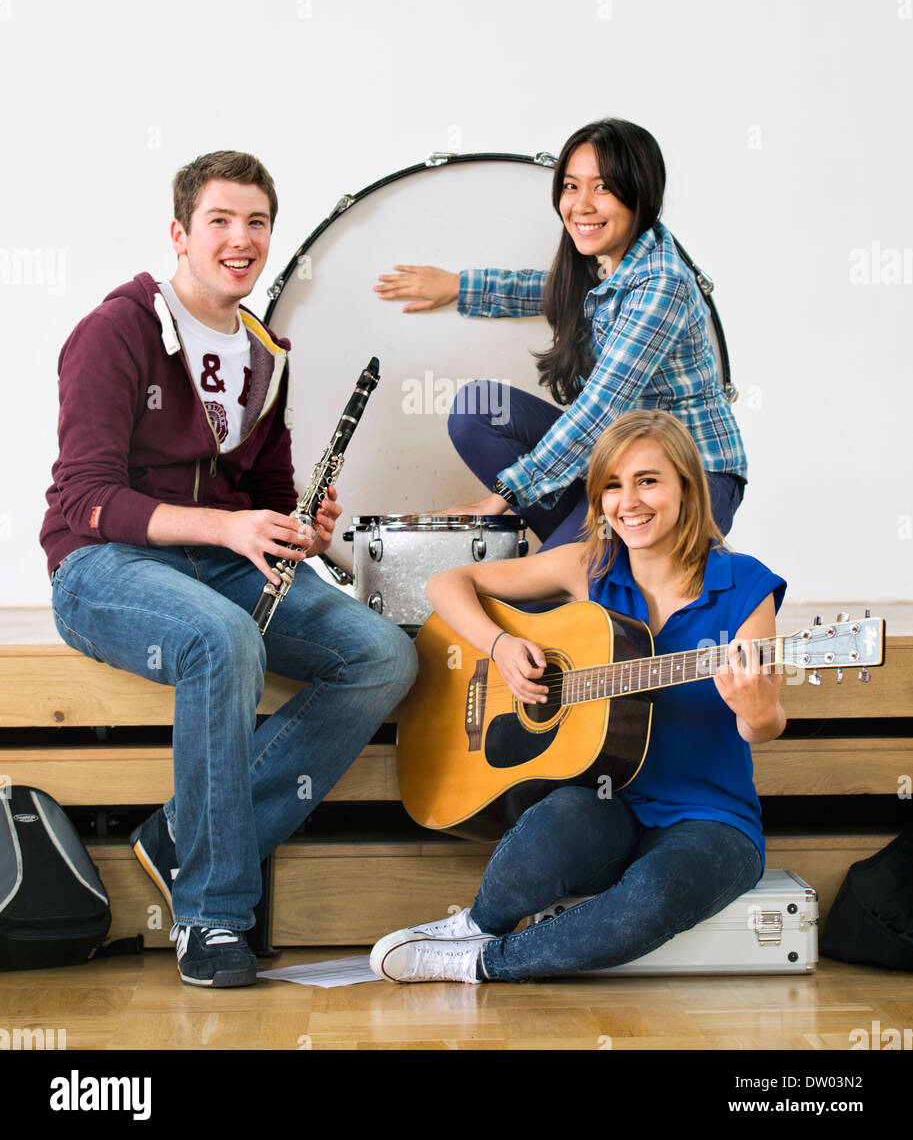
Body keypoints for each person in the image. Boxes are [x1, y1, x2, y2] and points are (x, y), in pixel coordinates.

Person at [40, 150, 417, 988]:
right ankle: (211, 912)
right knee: (221, 639)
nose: (240, 239)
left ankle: (184, 830)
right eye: (219, 220)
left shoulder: (265, 352)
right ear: (180, 233)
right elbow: (85, 497)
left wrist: (300, 526)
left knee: (383, 656)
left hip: (217, 562)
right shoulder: (116, 331)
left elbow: (267, 493)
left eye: (256, 223)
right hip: (105, 566)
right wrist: (225, 525)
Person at [370, 409, 785, 984]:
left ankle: (480, 962)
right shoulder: (590, 565)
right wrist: (501, 645)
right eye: (611, 485)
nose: (628, 501)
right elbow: (445, 584)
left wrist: (761, 715)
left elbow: (760, 723)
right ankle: (480, 922)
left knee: (654, 897)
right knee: (554, 823)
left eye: (647, 480)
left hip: (711, 819)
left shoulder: (744, 585)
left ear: (687, 488)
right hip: (607, 800)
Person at [373, 118, 747, 548]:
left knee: (535, 600)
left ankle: (592, 564)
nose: (581, 205)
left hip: (691, 477)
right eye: (571, 186)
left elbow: (600, 408)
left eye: (603, 187)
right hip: (614, 465)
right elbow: (550, 289)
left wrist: (500, 499)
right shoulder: (609, 257)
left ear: (639, 194)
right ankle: (591, 552)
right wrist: (459, 286)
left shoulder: (662, 284)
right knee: (477, 408)